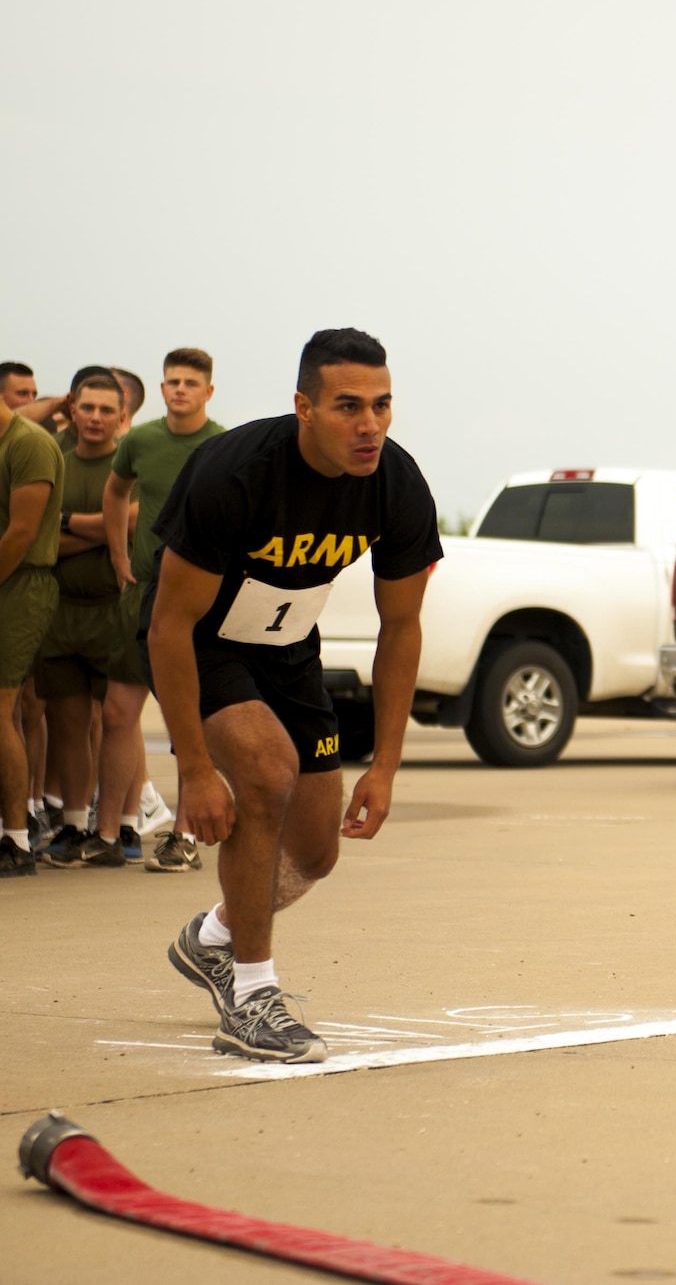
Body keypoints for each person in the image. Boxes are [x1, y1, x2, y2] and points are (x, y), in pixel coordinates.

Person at [148, 328, 439, 1061]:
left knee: (315, 850)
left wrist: (387, 765)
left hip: (289, 649)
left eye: (381, 405)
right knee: (267, 772)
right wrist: (191, 768)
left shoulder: (397, 484)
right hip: (205, 643)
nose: (368, 424)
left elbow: (401, 627)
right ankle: (251, 994)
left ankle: (213, 937)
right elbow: (168, 624)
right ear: (304, 406)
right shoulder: (236, 472)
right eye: (348, 406)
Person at [105, 348, 226, 871]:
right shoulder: (141, 439)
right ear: (161, 389)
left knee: (187, 719)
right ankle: (108, 831)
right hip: (144, 588)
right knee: (117, 711)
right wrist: (117, 553)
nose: (179, 389)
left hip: (198, 597)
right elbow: (116, 492)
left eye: (190, 382)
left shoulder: (223, 444)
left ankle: (185, 835)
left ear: (208, 392)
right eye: (172, 381)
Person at [33, 378, 140, 867]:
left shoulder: (129, 465)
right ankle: (75, 823)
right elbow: (40, 540)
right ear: (72, 411)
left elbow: (135, 521)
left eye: (106, 409)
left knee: (121, 718)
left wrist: (68, 522)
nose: (95, 417)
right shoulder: (53, 460)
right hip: (60, 609)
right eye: (87, 407)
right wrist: (103, 528)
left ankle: (126, 824)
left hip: (114, 607)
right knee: (68, 721)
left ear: (122, 416)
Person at [0, 382, 64, 877]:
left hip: (20, 585)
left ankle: (17, 840)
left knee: (1, 712)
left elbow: (21, 532)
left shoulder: (29, 443)